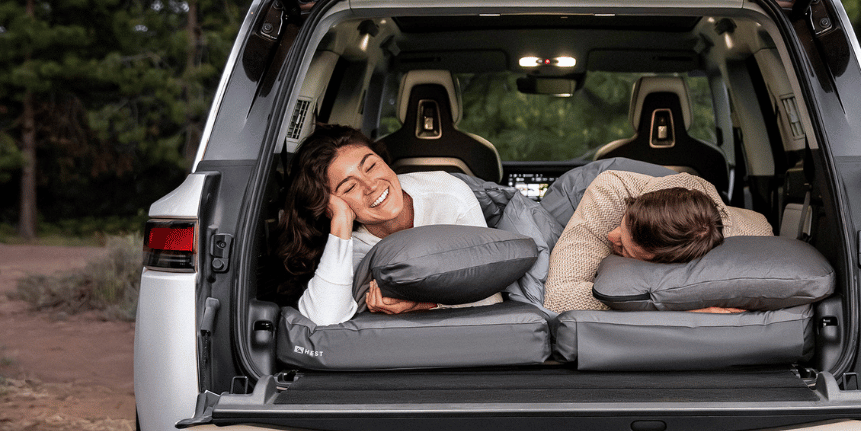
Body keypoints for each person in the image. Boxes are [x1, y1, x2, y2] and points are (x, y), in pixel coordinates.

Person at [276, 124, 499, 325]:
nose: (371, 185)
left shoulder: (449, 195)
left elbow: (490, 296)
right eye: (349, 187)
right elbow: (324, 319)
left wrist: (420, 306)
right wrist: (341, 220)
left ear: (383, 159)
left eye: (371, 166)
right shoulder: (350, 244)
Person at [543, 169, 773, 313]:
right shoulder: (609, 194)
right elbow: (558, 298)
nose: (611, 236)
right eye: (623, 225)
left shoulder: (755, 233)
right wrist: (682, 309)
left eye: (625, 248)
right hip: (582, 187)